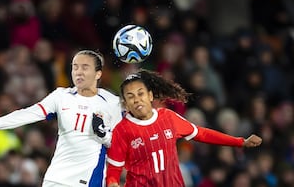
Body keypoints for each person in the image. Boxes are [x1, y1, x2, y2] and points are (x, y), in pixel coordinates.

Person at [0, 50, 123, 187]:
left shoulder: (112, 103)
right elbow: (29, 113)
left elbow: (120, 145)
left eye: (84, 67)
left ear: (98, 74)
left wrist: (103, 134)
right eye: (75, 67)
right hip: (56, 178)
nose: (78, 72)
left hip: (88, 179)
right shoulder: (61, 96)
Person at [106, 69, 262, 187]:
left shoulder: (168, 117)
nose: (137, 100)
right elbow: (113, 171)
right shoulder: (122, 130)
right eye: (130, 96)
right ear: (125, 104)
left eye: (140, 93)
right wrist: (113, 184)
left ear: (151, 96)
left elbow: (202, 134)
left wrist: (240, 142)